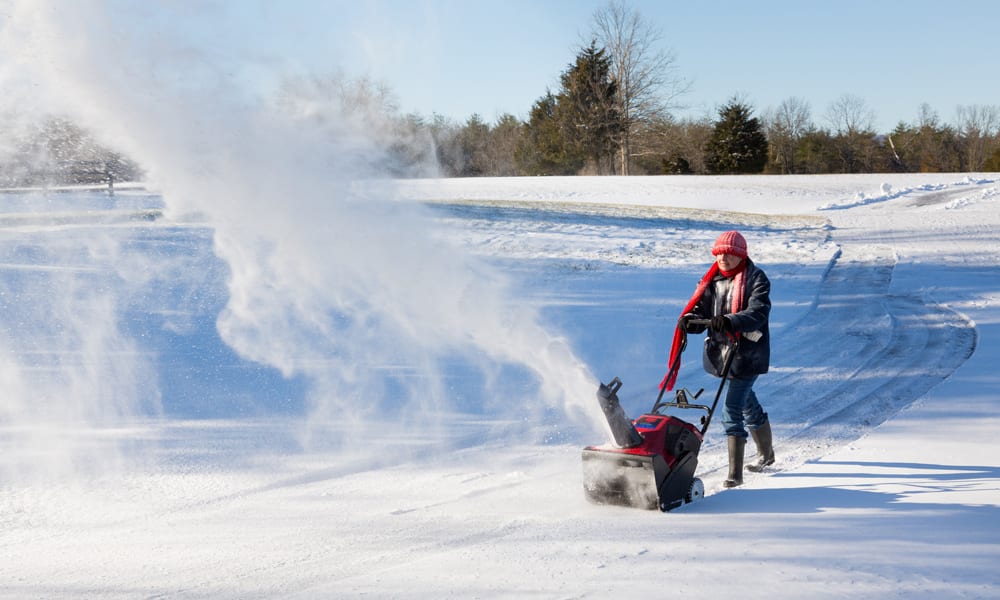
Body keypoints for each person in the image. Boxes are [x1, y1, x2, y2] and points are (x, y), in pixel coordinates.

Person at [666, 230, 775, 488]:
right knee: (746, 402)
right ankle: (767, 454)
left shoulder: (757, 279)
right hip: (723, 354)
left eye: (729, 254)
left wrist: (729, 320)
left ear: (741, 255)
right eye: (719, 253)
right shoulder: (711, 280)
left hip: (748, 354)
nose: (723, 258)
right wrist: (690, 320)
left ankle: (735, 475)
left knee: (731, 409)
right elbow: (701, 308)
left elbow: (758, 312)